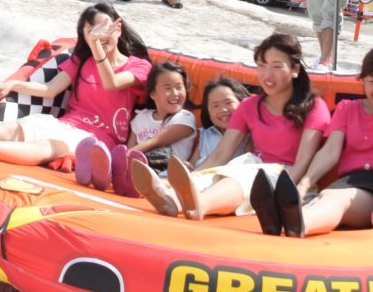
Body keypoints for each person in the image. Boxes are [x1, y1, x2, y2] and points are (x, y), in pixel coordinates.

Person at [0, 4, 153, 196]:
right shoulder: (81, 61)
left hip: (97, 140)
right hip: (65, 122)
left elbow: (111, 82)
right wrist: (13, 84)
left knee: (50, 146)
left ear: (118, 28)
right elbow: (50, 89)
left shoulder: (139, 66)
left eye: (102, 29)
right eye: (90, 32)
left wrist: (95, 45)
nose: (97, 37)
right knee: (14, 128)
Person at [129, 32, 330, 230]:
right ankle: (168, 197)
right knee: (217, 174)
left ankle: (199, 204)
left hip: (287, 177)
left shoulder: (313, 106)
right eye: (262, 66)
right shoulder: (250, 105)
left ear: (295, 69)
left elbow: (304, 161)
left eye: (276, 67)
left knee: (240, 179)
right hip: (253, 165)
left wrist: (282, 192)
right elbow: (220, 154)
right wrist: (194, 177)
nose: (267, 75)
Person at [255, 44, 373, 237]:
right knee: (326, 196)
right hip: (347, 181)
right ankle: (283, 221)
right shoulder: (347, 109)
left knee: (336, 199)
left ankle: (297, 225)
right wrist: (303, 184)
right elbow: (330, 151)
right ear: (363, 80)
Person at [127, 60, 197, 168]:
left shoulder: (185, 118)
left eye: (179, 87)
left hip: (167, 171)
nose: (175, 93)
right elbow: (130, 146)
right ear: (153, 94)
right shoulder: (141, 117)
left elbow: (155, 142)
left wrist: (123, 156)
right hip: (140, 168)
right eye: (168, 88)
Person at [189, 75, 246, 168]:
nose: (223, 109)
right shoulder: (206, 134)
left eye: (228, 102)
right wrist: (188, 166)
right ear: (209, 114)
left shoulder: (248, 136)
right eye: (215, 106)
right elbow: (192, 163)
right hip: (198, 176)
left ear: (243, 103)